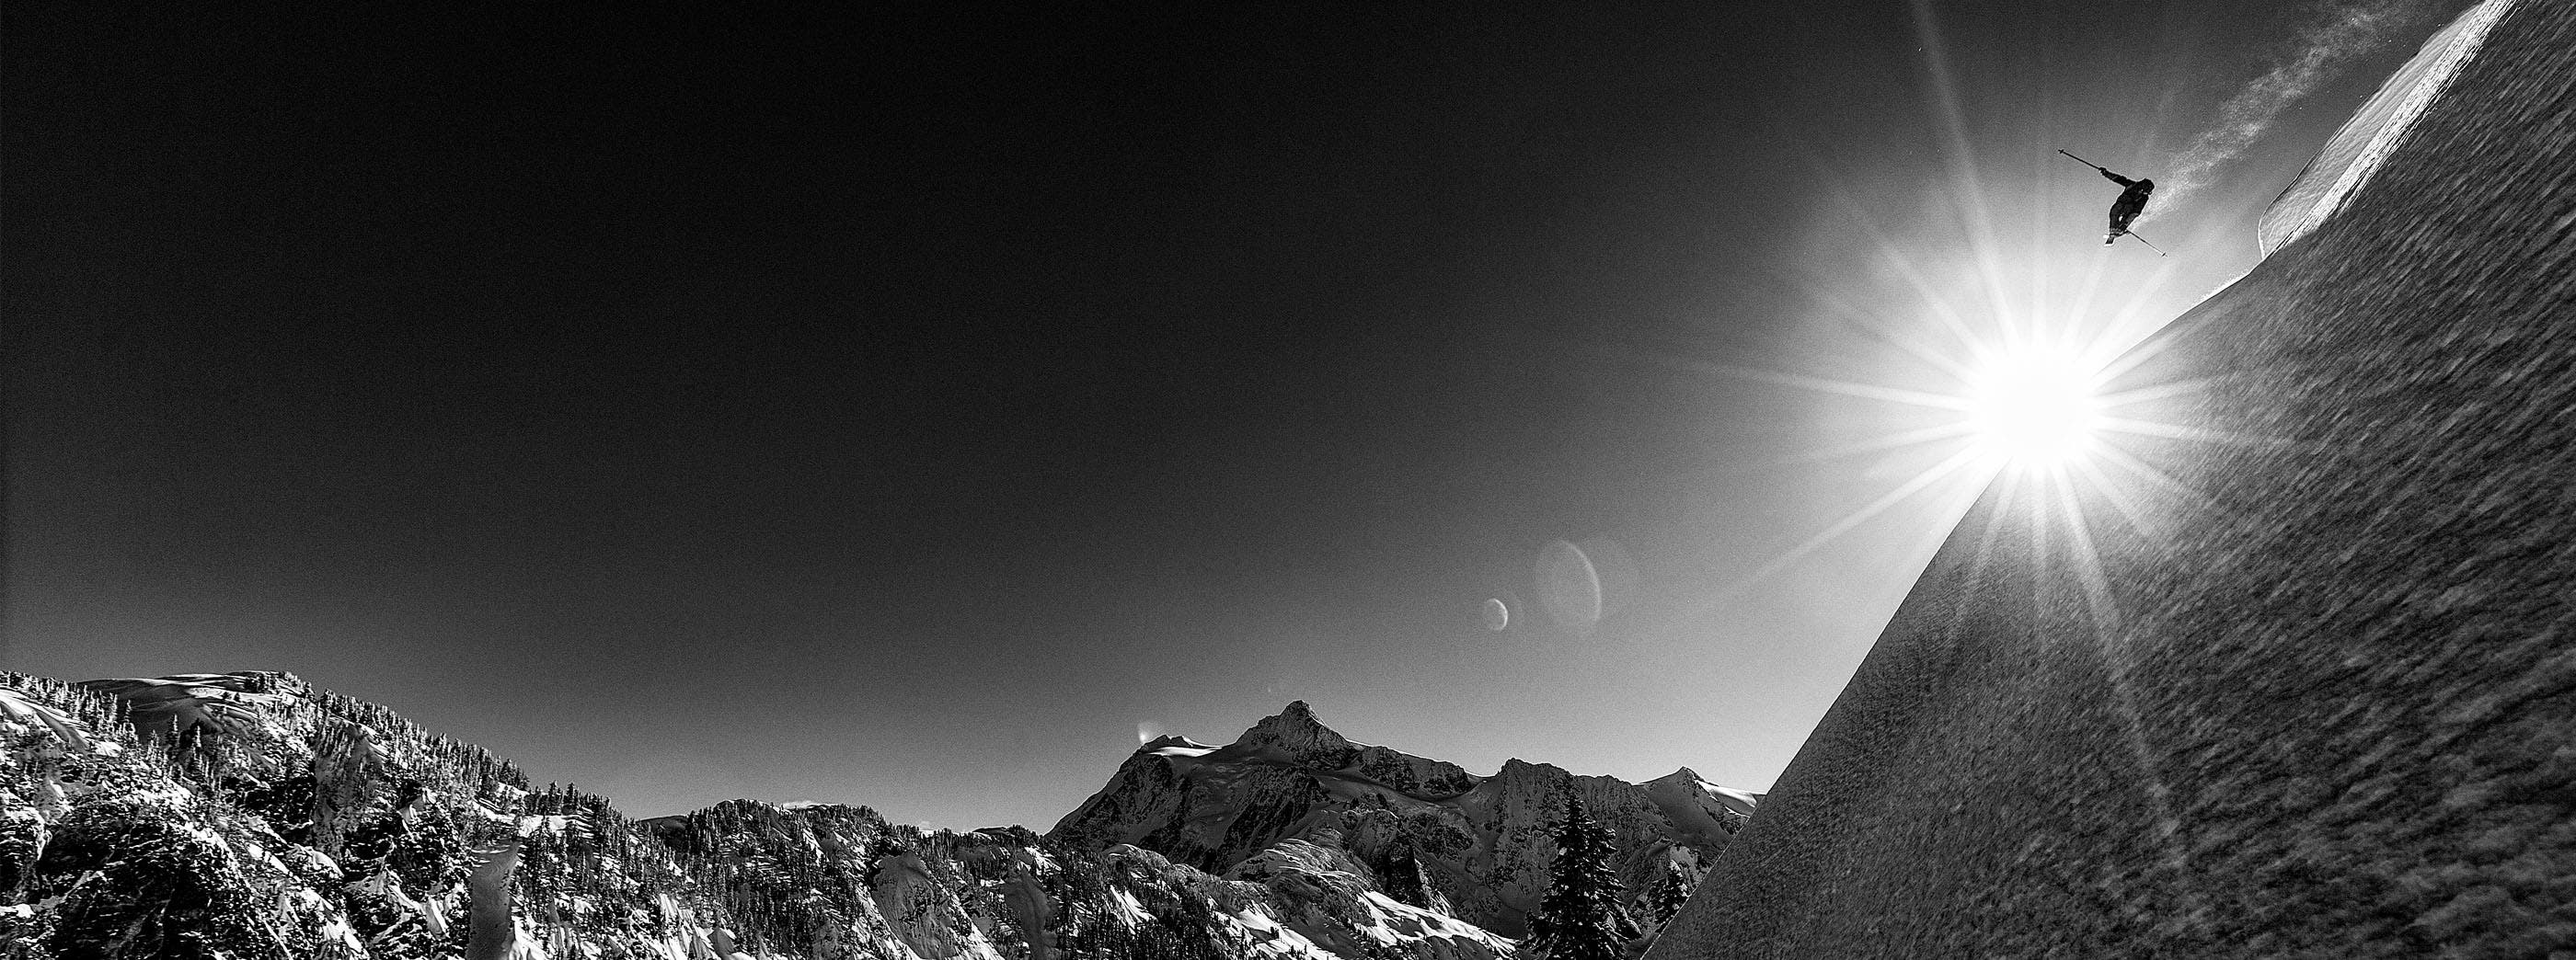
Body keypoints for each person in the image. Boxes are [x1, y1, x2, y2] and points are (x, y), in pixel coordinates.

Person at [2101, 168, 2155, 245]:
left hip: (2129, 209)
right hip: (2121, 203)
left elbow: (2136, 212)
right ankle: (2113, 228)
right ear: (2142, 189)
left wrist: (2124, 225)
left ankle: (2119, 228)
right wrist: (2105, 173)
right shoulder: (2132, 185)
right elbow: (2118, 179)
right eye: (2145, 192)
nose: (2146, 194)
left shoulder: (2144, 197)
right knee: (2115, 210)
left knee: (2127, 210)